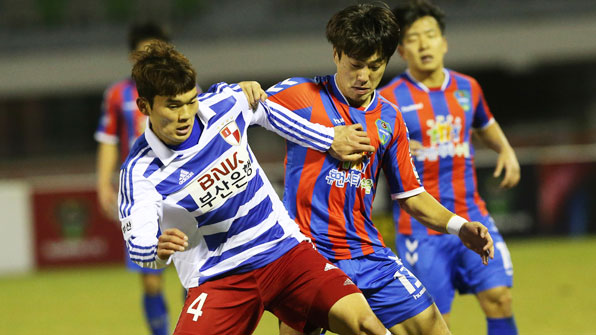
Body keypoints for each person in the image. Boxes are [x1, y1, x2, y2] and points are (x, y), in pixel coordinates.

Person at [119, 40, 391, 335]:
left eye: (190, 100)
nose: (185, 114)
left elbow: (268, 113)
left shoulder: (226, 104)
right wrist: (156, 251)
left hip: (284, 252)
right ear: (144, 106)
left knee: (366, 325)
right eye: (173, 106)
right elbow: (139, 243)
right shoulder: (139, 172)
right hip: (220, 278)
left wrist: (327, 139)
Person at [256, 3, 494, 335]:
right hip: (307, 257)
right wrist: (240, 92)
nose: (364, 77)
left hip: (367, 255)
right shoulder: (301, 96)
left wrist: (459, 227)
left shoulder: (390, 118)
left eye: (375, 65)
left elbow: (411, 194)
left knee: (433, 329)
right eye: (355, 65)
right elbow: (231, 116)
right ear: (337, 54)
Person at [379, 1, 520, 334]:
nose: (424, 44)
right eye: (414, 38)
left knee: (499, 298)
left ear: (444, 42)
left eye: (431, 35)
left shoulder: (467, 88)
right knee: (436, 324)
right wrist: (393, 147)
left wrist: (506, 150)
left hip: (474, 216)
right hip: (421, 230)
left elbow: (485, 123)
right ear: (402, 50)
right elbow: (371, 149)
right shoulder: (388, 100)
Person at [94, 22, 178, 335]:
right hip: (140, 192)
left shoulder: (182, 89)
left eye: (155, 52)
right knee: (150, 276)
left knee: (192, 272)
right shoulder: (118, 94)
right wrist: (103, 184)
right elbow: (108, 140)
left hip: (179, 189)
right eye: (143, 53)